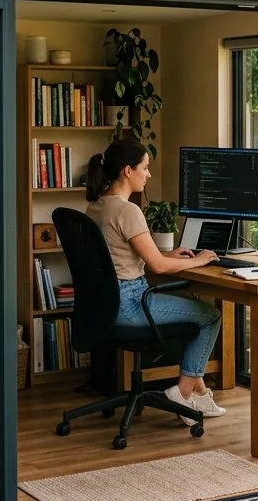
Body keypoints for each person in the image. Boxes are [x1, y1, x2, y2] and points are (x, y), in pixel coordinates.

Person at [84, 139, 226, 423]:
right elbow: (158, 267)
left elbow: (123, 255)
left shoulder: (96, 207)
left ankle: (198, 392)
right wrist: (197, 260)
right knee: (210, 317)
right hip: (131, 304)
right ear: (128, 171)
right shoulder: (127, 211)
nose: (148, 174)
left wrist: (170, 254)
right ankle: (182, 393)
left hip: (106, 306)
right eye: (145, 168)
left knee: (191, 311)